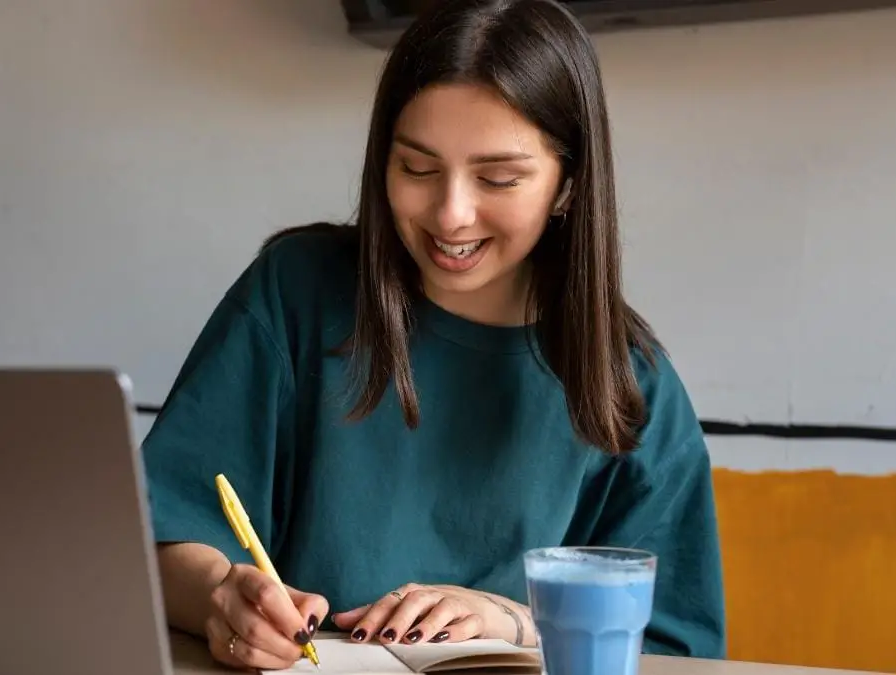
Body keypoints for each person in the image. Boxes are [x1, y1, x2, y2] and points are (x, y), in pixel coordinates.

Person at [140, 0, 727, 669]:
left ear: (568, 184)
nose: (451, 214)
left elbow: (679, 650)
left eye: (498, 177)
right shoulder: (295, 293)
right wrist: (222, 594)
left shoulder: (631, 385)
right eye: (417, 168)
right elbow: (157, 535)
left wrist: (513, 620)